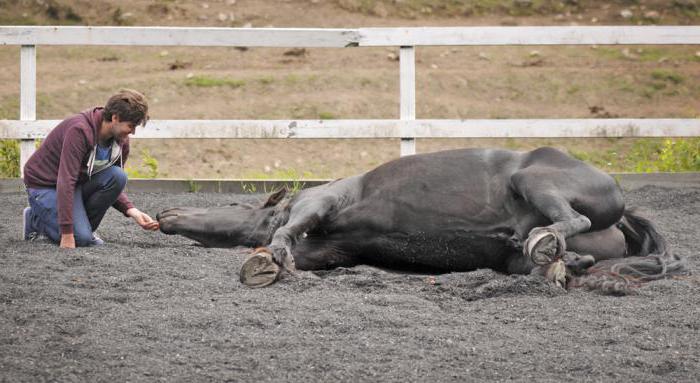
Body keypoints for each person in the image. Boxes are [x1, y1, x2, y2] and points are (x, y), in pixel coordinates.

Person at [21, 89, 159, 248]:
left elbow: (112, 182)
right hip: (45, 185)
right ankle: (35, 219)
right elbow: (66, 180)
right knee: (81, 240)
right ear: (115, 118)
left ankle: (81, 230)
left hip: (76, 185)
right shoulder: (79, 131)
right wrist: (67, 234)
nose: (132, 132)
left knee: (118, 176)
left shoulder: (121, 141)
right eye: (130, 126)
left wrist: (132, 211)